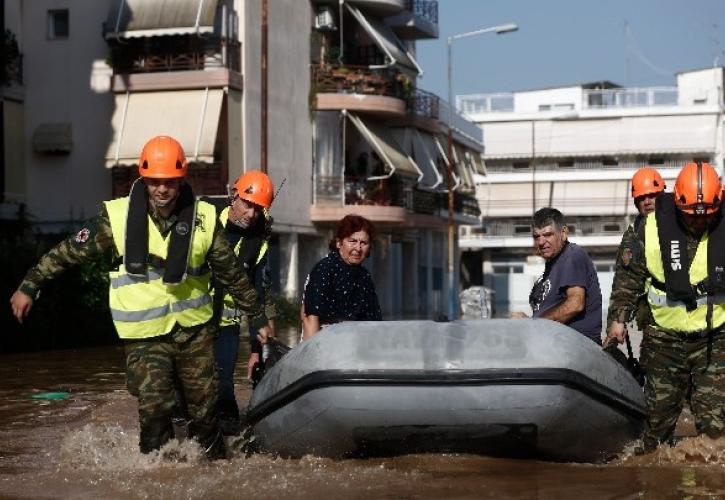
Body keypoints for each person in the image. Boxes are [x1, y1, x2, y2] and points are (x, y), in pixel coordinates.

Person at [9, 135, 265, 460]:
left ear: (180, 179)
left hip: (194, 332)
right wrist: (31, 284)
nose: (162, 190)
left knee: (205, 408)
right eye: (155, 182)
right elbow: (69, 252)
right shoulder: (115, 218)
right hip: (145, 336)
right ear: (143, 178)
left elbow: (232, 273)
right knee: (156, 407)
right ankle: (157, 473)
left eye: (169, 182)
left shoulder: (204, 219)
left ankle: (211, 472)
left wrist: (257, 317)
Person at [604, 161, 725, 452]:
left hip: (715, 339)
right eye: (691, 217)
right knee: (657, 428)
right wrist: (619, 318)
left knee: (716, 431)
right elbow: (628, 280)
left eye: (708, 216)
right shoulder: (647, 229)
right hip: (664, 340)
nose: (699, 222)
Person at [206, 170, 276, 434]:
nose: (251, 215)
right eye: (248, 205)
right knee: (186, 390)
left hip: (227, 326)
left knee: (224, 387)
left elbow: (261, 294)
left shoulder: (258, 241)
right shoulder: (207, 222)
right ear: (234, 196)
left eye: (258, 210)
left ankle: (230, 444)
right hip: (193, 323)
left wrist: (257, 350)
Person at [510, 207, 603, 344]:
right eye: (536, 236)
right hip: (555, 347)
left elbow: (575, 304)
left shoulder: (572, 256)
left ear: (564, 233)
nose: (541, 242)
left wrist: (532, 324)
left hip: (574, 349)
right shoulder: (553, 265)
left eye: (547, 235)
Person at [302, 214, 382, 340]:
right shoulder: (325, 269)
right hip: (326, 346)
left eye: (364, 243)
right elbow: (310, 317)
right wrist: (313, 355)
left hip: (356, 347)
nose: (358, 248)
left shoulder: (364, 276)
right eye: (352, 241)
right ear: (339, 243)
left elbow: (375, 321)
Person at [612, 167, 667, 334]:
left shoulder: (686, 222)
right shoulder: (635, 234)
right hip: (656, 324)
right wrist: (618, 321)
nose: (648, 201)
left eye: (652, 196)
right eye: (642, 198)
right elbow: (625, 283)